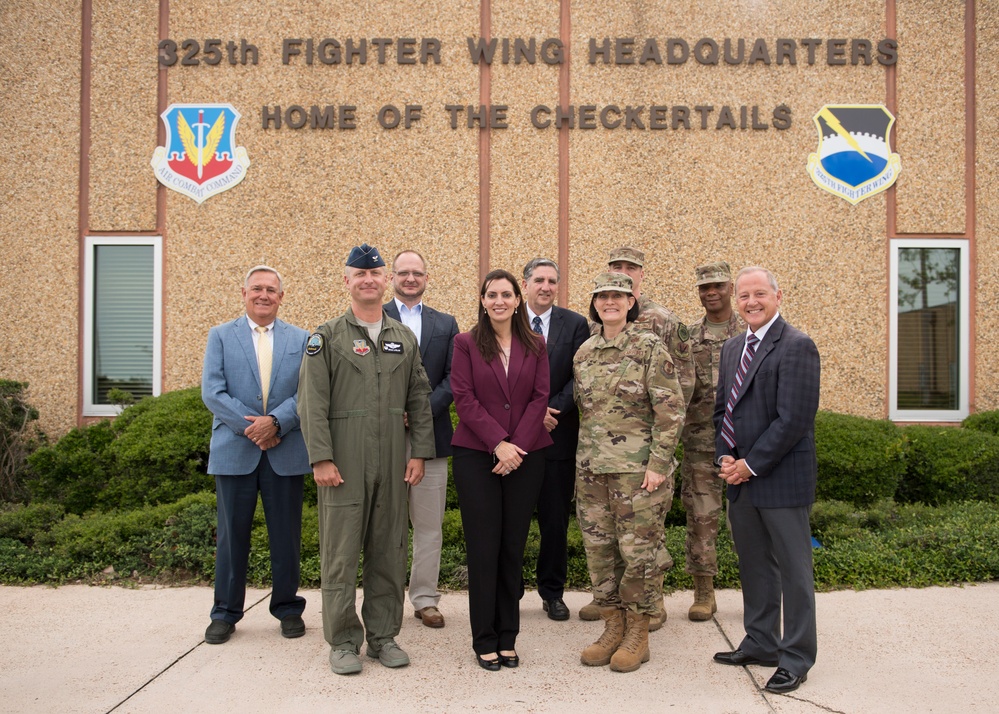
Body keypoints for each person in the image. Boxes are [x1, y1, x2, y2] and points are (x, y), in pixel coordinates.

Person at [298, 244, 435, 676]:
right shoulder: (327, 337)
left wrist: (421, 454)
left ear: (384, 280)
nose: (369, 280)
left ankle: (382, 637)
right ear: (348, 281)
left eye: (375, 273)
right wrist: (321, 457)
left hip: (394, 460)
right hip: (344, 462)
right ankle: (342, 641)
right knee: (340, 554)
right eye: (360, 274)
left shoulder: (403, 337)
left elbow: (420, 398)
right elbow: (311, 402)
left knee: (389, 550)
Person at [712, 266, 820, 695]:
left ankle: (795, 658)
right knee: (755, 567)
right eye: (744, 296)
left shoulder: (797, 346)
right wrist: (726, 455)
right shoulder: (733, 346)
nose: (751, 302)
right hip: (740, 479)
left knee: (794, 573)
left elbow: (794, 419)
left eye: (760, 294)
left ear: (778, 296)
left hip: (779, 479)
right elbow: (724, 410)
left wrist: (749, 464)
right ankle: (760, 642)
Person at [574, 272, 685, 673]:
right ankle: (612, 628)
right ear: (595, 303)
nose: (610, 302)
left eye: (618, 296)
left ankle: (638, 635)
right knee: (600, 554)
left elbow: (671, 412)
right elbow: (586, 415)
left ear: (630, 302)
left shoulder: (650, 347)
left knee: (637, 555)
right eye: (602, 296)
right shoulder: (584, 352)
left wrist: (658, 465)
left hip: (638, 476)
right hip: (591, 474)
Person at [201, 265, 311, 644]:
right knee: (232, 538)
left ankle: (287, 608)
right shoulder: (220, 336)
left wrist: (276, 423)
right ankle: (226, 613)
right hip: (236, 450)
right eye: (256, 289)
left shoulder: (302, 339)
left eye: (271, 290)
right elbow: (212, 392)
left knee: (286, 536)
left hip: (285, 449)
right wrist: (254, 428)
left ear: (282, 296)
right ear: (243, 293)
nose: (263, 295)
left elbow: (309, 392)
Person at [450, 268, 552, 671]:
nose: (499, 301)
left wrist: (517, 447)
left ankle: (508, 635)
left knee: (512, 546)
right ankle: (484, 638)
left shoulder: (537, 344)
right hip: (477, 456)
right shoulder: (465, 343)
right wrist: (498, 443)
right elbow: (463, 397)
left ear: (517, 299)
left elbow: (540, 396)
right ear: (482, 300)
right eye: (491, 294)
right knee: (484, 547)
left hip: (526, 457)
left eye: (506, 294)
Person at [384, 250, 459, 629]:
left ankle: (425, 598)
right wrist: (394, 413)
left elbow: (454, 377)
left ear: (427, 277)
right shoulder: (374, 317)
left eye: (417, 273)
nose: (410, 278)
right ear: (391, 277)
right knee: (385, 523)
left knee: (429, 525)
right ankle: (385, 599)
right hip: (384, 438)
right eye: (403, 273)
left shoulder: (445, 323)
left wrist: (421, 411)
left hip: (432, 436)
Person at [521, 257, 590, 622]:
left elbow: (579, 377)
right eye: (539, 280)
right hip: (514, 439)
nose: (545, 286)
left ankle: (552, 592)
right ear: (525, 284)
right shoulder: (505, 319)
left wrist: (550, 411)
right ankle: (509, 588)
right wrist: (530, 415)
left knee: (553, 522)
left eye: (552, 281)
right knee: (511, 519)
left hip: (557, 437)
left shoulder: (576, 324)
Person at [680, 261, 745, 621]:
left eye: (718, 286)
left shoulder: (751, 332)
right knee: (701, 519)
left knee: (749, 520)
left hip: (747, 446)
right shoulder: (689, 338)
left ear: (730, 288)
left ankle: (758, 588)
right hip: (702, 443)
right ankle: (704, 592)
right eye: (705, 288)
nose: (711, 292)